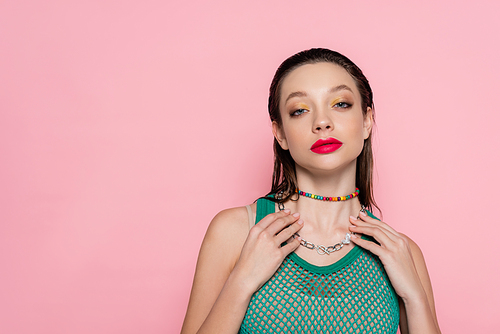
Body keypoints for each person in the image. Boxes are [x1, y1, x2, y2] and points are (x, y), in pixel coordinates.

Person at [181, 48, 440, 334]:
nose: (322, 122)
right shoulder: (236, 231)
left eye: (340, 104)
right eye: (300, 110)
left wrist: (414, 298)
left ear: (367, 121)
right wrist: (241, 282)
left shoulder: (402, 252)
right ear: (280, 133)